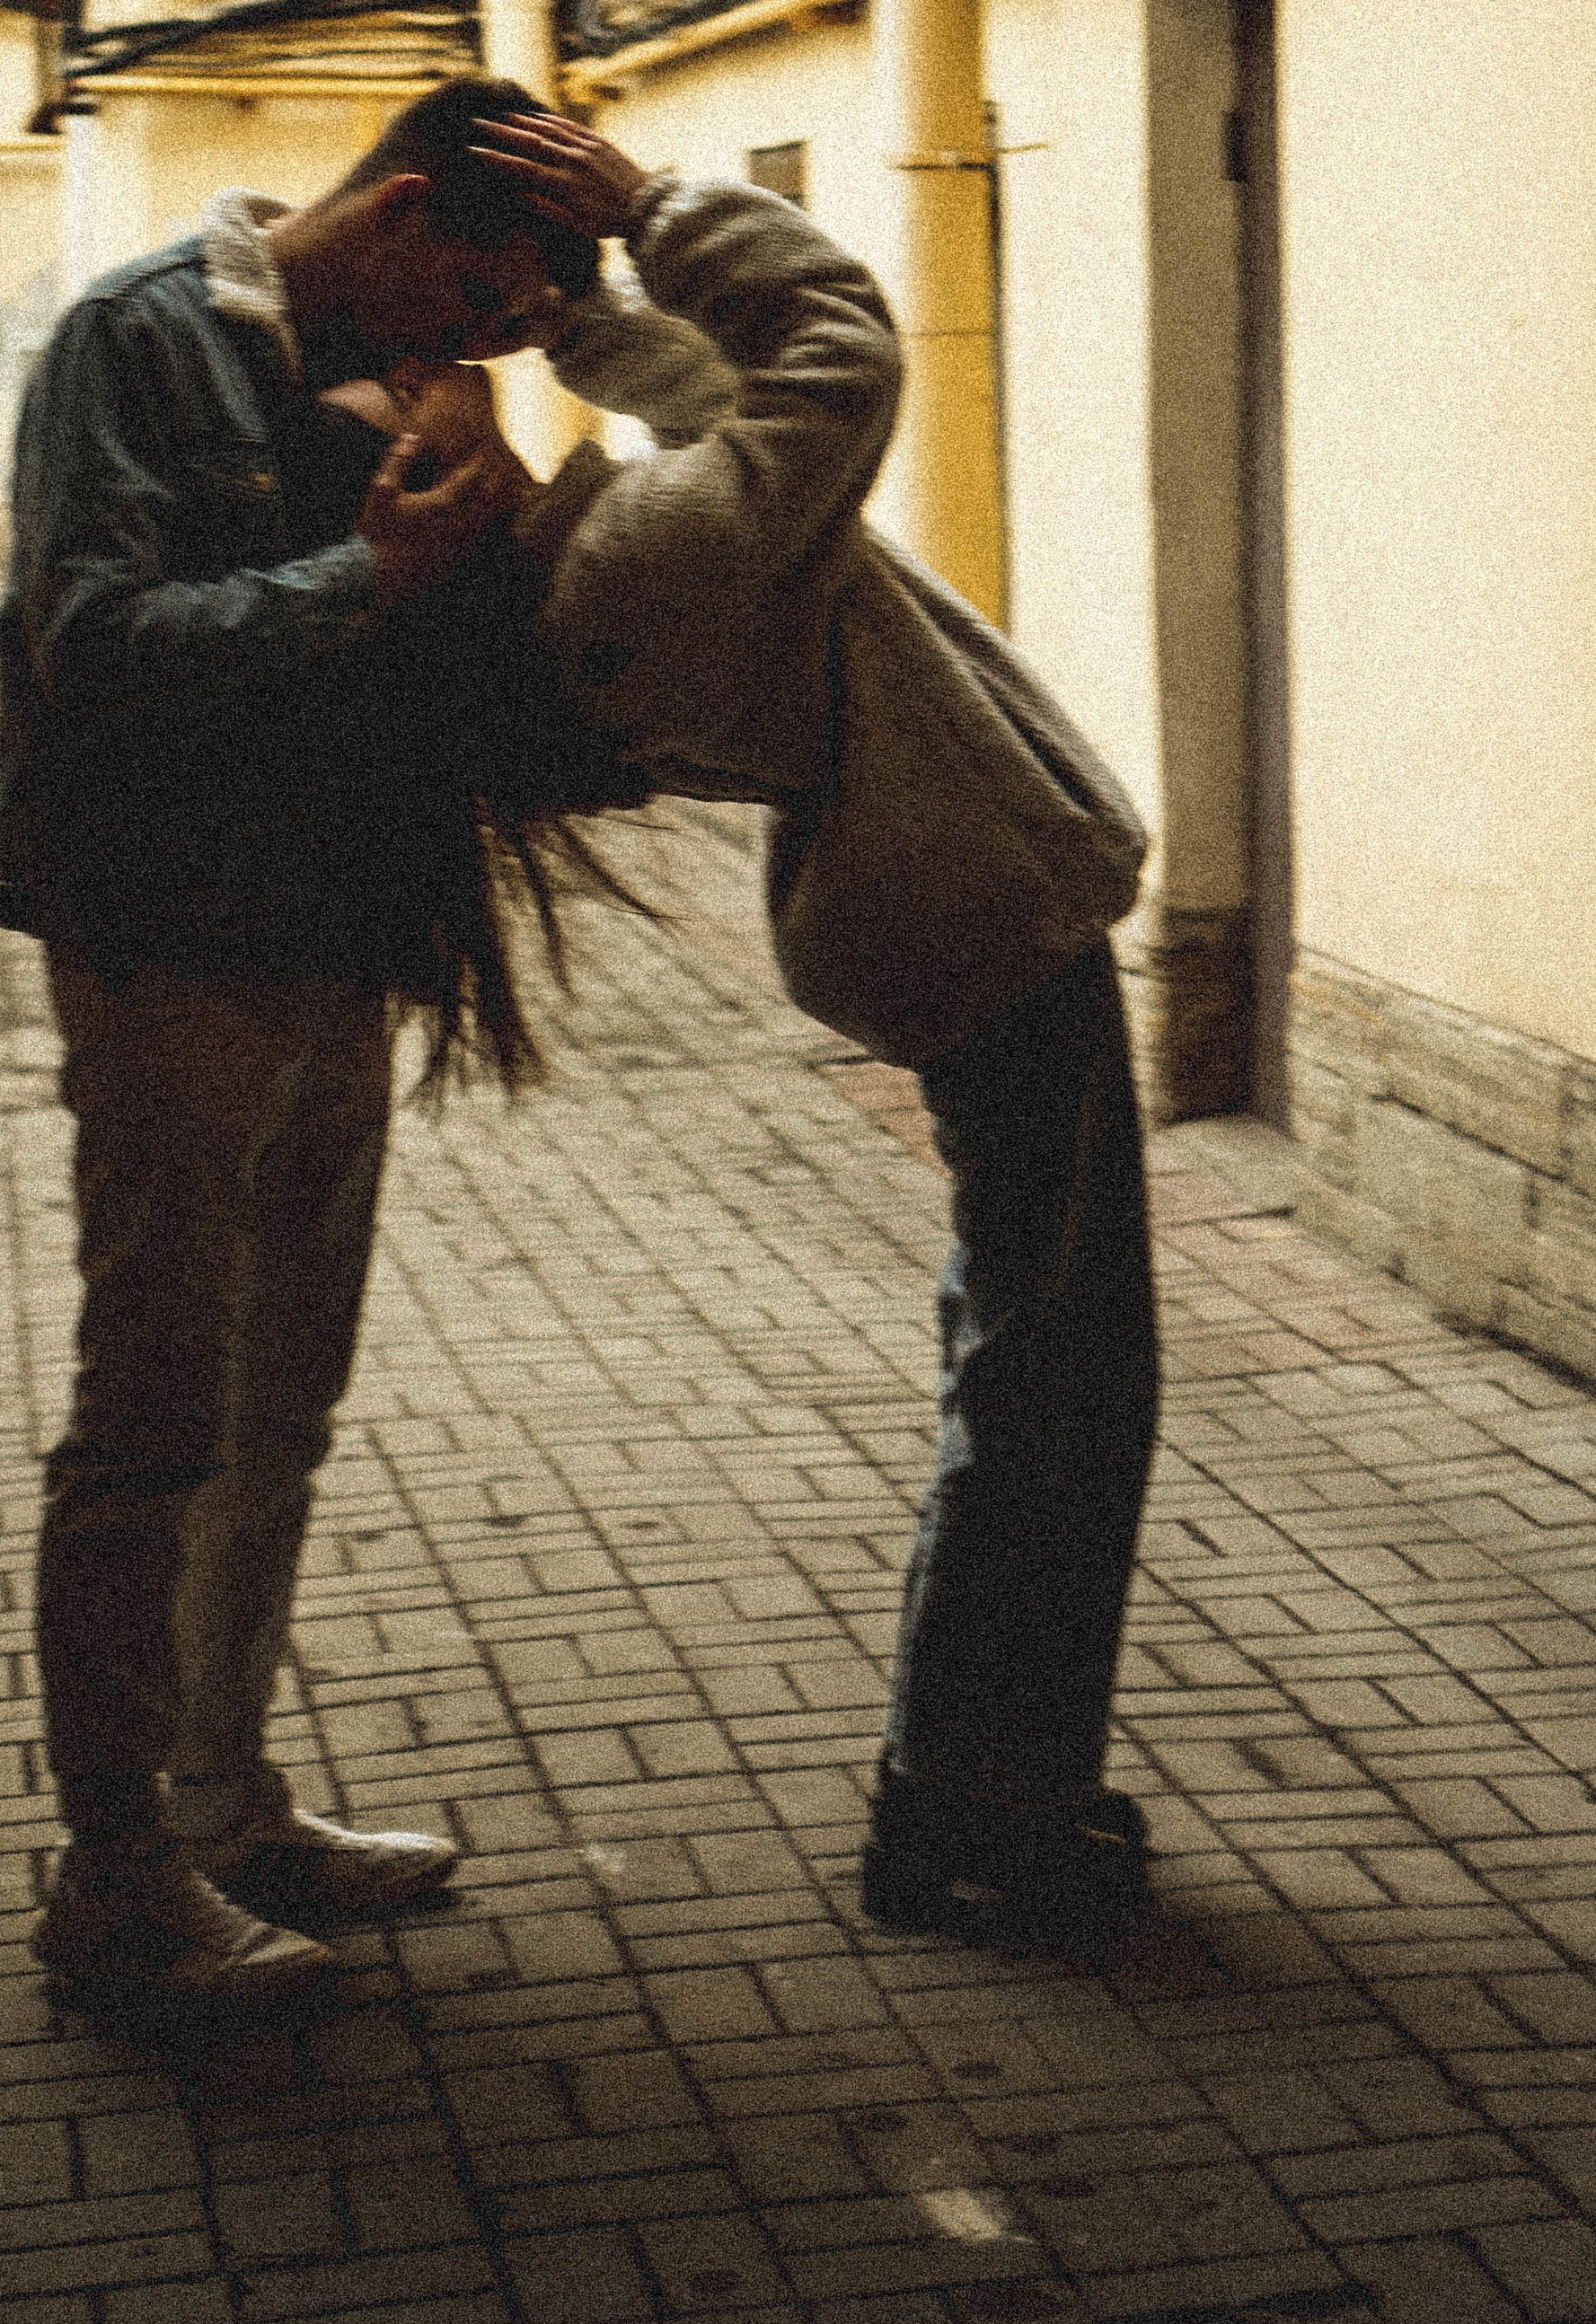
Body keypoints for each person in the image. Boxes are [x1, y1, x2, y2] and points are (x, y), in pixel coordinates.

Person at [460, 107, 1164, 1950]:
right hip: (976, 917)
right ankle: (976, 1810)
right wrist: (656, 209)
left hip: (935, 909)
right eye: (417, 404)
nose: (444, 400)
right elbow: (830, 345)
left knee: (1027, 1351)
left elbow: (704, 404)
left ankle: (977, 1787)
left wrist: (569, 309)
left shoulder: (598, 558)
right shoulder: (635, 567)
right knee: (1054, 1378)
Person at [0, 73, 604, 2020]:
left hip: (337, 942)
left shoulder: (381, 375)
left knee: (281, 1406)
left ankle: (223, 1805)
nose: (479, 351)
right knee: (153, 1418)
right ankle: (112, 1884)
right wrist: (373, 575)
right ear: (410, 214)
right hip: (170, 947)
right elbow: (89, 640)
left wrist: (477, 517)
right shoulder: (136, 338)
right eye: (485, 307)